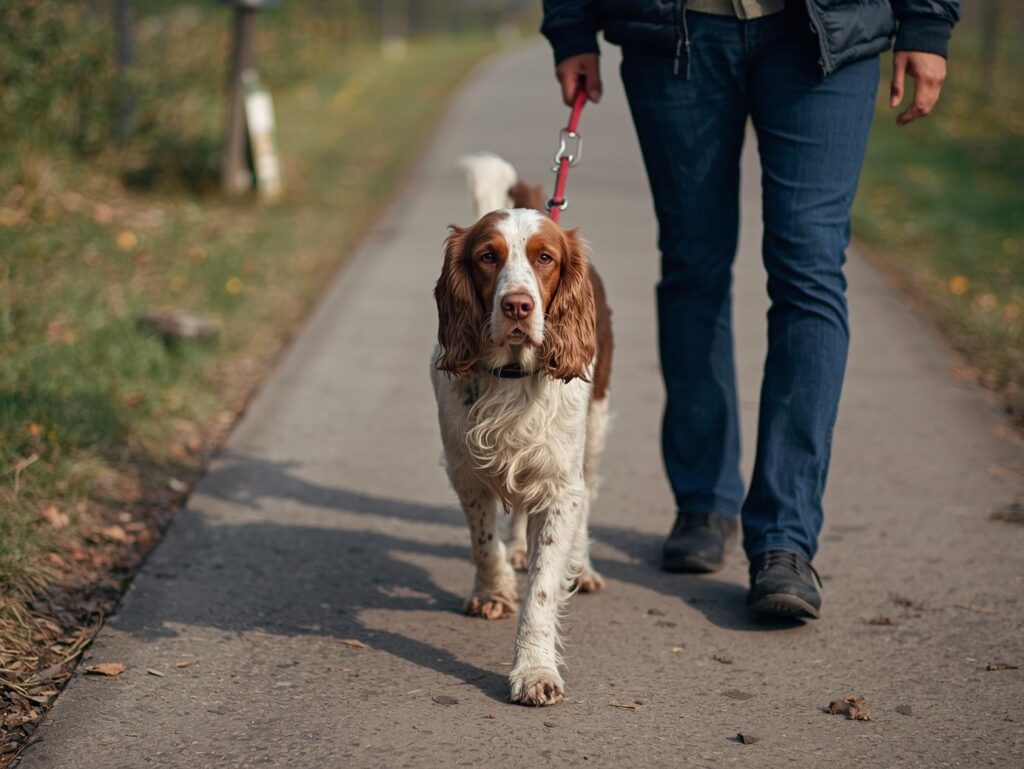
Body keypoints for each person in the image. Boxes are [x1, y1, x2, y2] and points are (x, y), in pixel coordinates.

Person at [541, 0, 960, 619]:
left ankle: (785, 538)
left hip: (824, 32)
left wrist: (926, 21)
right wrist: (571, 24)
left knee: (810, 270)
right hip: (676, 34)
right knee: (692, 266)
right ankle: (704, 501)